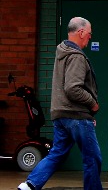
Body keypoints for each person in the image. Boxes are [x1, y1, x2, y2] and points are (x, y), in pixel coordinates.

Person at [18, 17, 102, 190]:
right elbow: (73, 88)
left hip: (60, 115)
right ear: (81, 32)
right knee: (92, 158)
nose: (90, 37)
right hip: (76, 116)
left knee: (56, 153)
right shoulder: (76, 56)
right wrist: (92, 104)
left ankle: (30, 184)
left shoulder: (62, 53)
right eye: (89, 33)